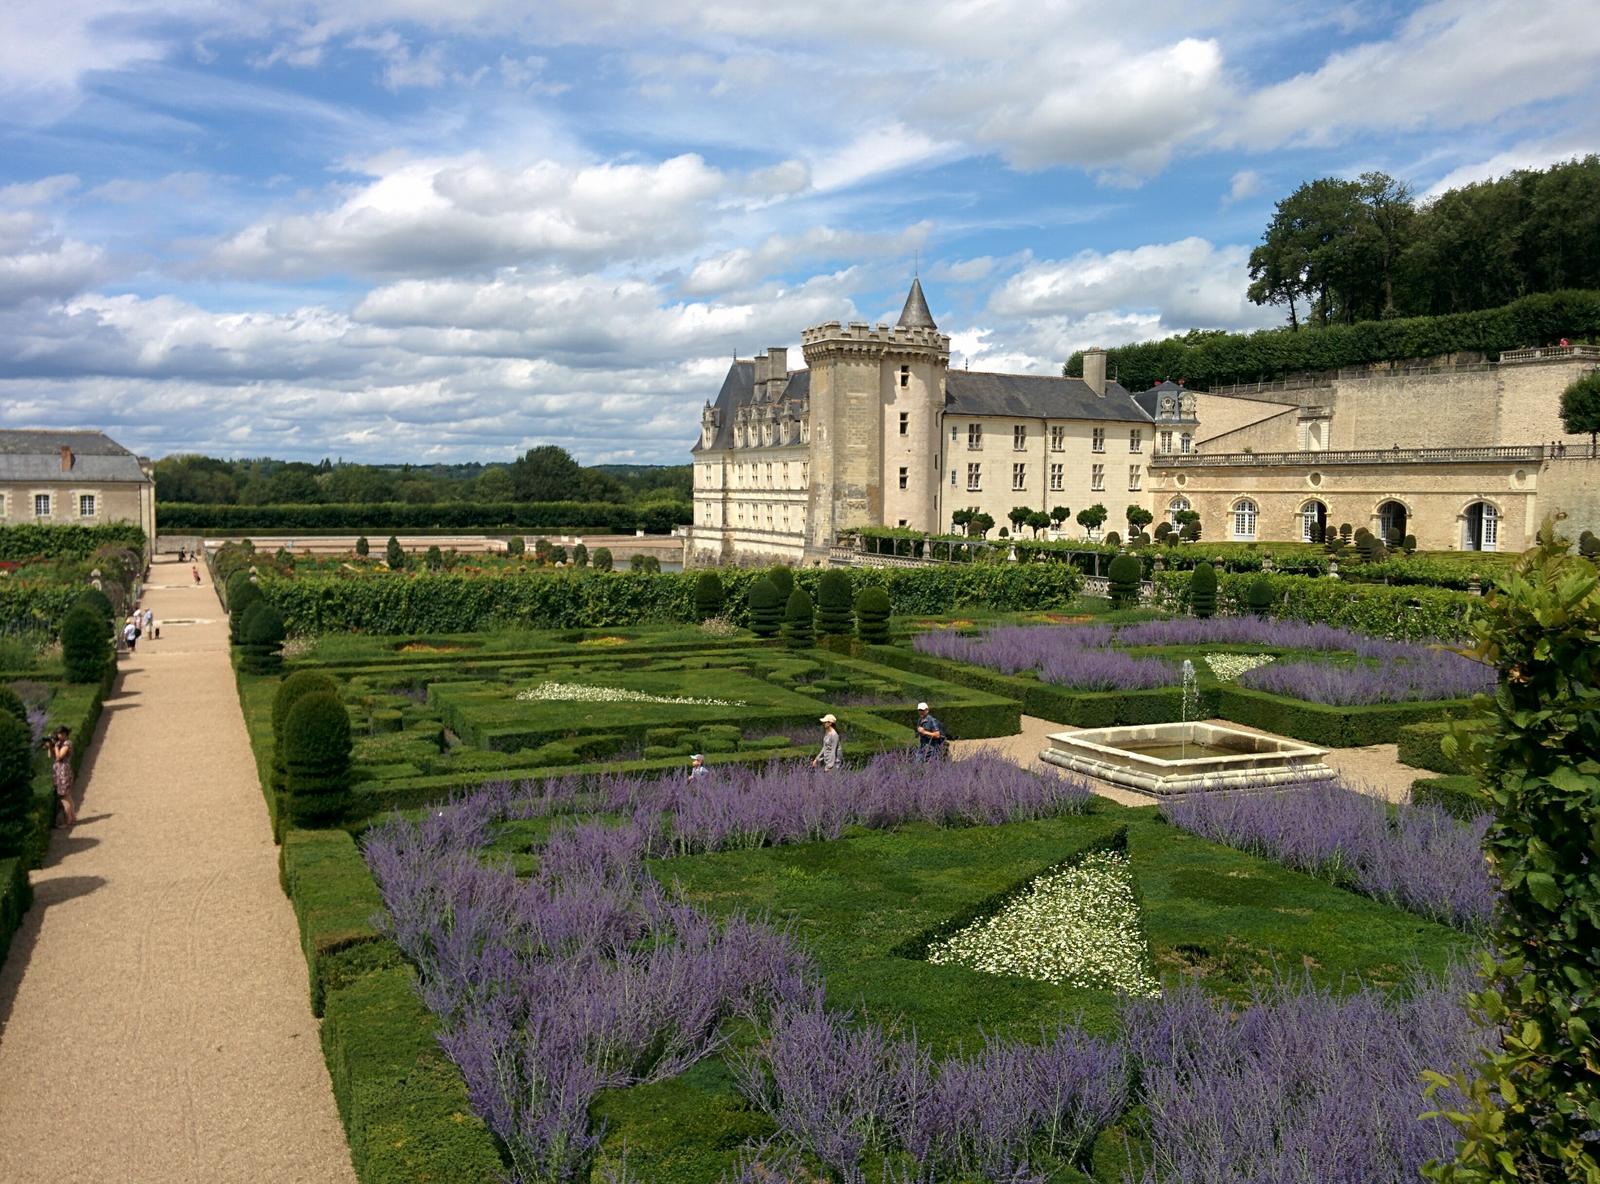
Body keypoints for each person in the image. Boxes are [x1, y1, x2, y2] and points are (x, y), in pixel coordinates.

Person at [46, 727, 75, 828]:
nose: (59, 736)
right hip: (59, 772)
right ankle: (72, 818)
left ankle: (68, 821)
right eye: (58, 734)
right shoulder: (59, 744)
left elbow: (59, 757)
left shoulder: (67, 744)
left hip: (63, 772)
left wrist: (56, 747)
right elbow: (50, 756)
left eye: (62, 734)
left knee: (64, 797)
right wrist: (50, 746)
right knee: (67, 796)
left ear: (66, 734)